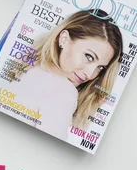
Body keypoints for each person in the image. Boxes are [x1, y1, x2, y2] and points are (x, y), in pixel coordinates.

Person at [7, 9, 123, 140]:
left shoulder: (27, 69)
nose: (90, 74)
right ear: (64, 39)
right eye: (89, 57)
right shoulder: (64, 91)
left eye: (100, 67)